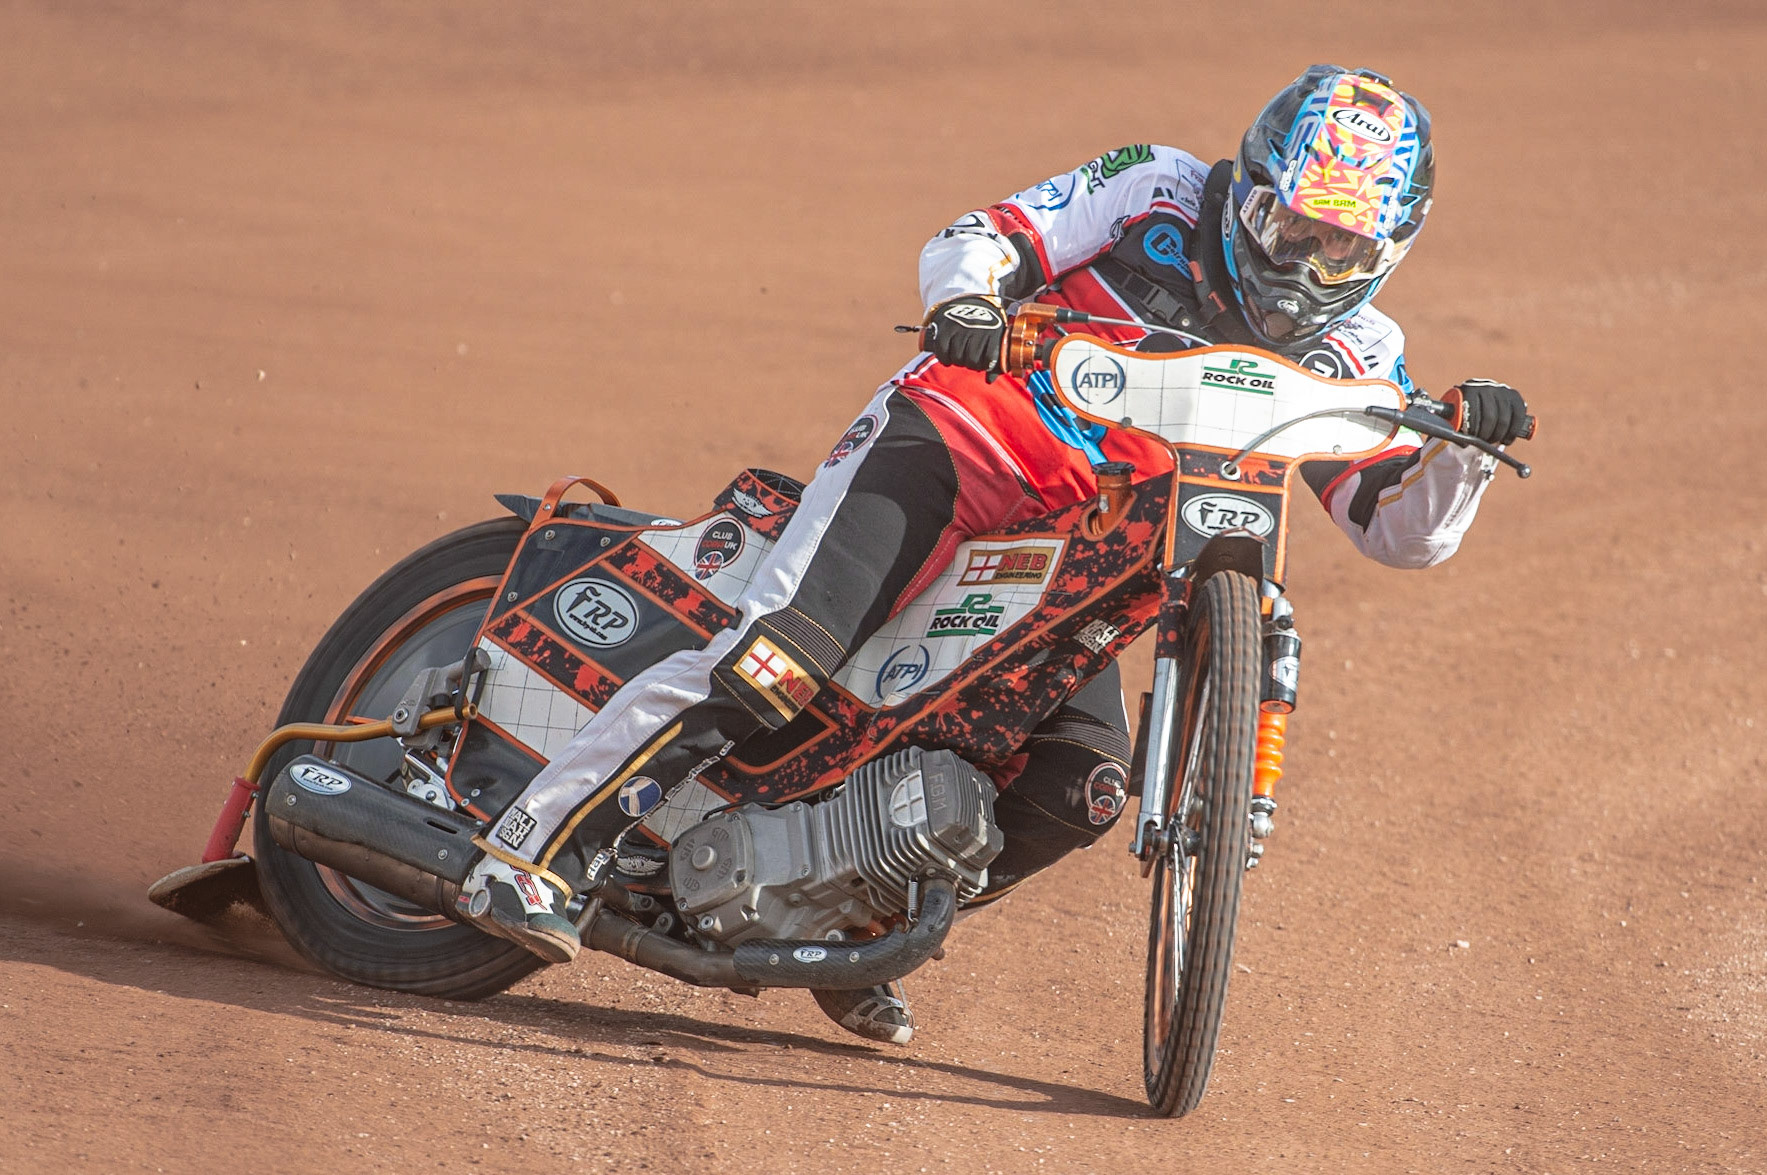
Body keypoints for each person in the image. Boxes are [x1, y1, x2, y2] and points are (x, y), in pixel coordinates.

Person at [452, 64, 1531, 1044]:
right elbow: (987, 234)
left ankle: (847, 916)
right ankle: (528, 850)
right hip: (958, 450)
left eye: (1338, 249)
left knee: (1087, 785)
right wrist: (967, 299)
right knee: (778, 659)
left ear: (1388, 252)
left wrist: (1469, 449)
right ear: (1247, 186)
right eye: (1288, 227)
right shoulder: (1154, 190)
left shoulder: (1361, 352)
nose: (1302, 266)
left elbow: (1400, 528)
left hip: (1079, 567)